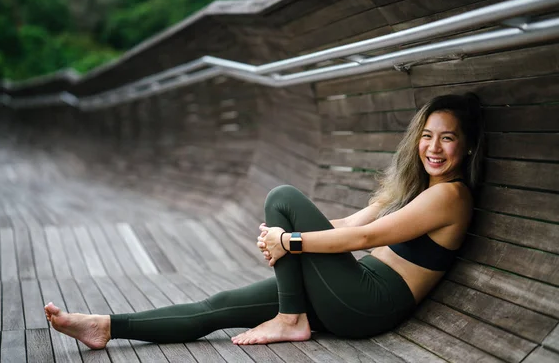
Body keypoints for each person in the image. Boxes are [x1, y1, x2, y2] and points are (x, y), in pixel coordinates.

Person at [44, 93, 484, 348]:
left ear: (466, 148)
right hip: (349, 287)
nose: (434, 147)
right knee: (219, 307)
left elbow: (364, 236)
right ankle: (105, 326)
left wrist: (289, 241)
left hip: (370, 302)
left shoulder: (450, 196)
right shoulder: (415, 188)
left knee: (282, 197)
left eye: (448, 138)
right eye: (427, 135)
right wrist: (283, 238)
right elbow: (349, 221)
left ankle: (291, 319)